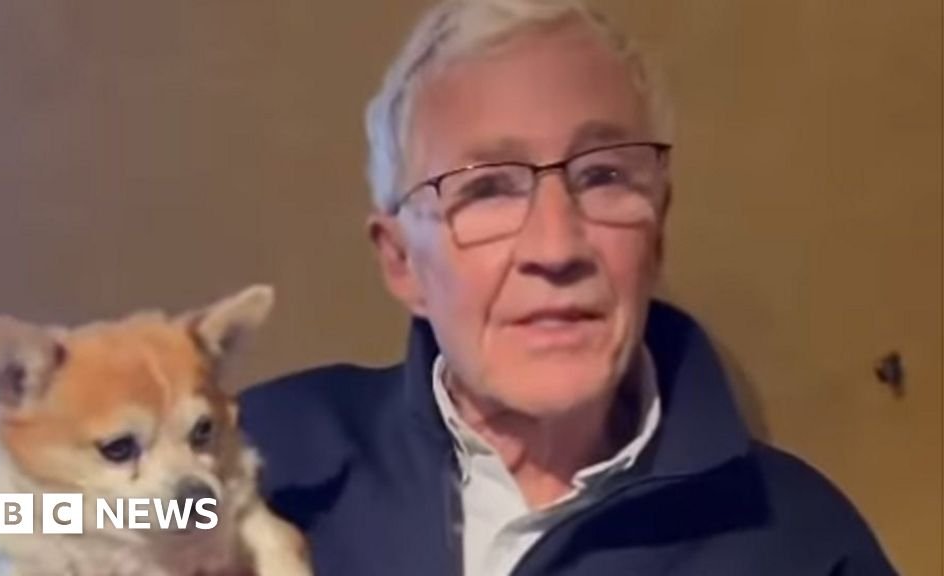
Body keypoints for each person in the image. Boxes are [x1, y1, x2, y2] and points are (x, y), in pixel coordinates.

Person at [238, 1, 895, 574]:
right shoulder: (258, 452)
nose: (556, 249)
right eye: (487, 189)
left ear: (656, 233)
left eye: (603, 176)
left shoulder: (802, 545)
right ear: (402, 261)